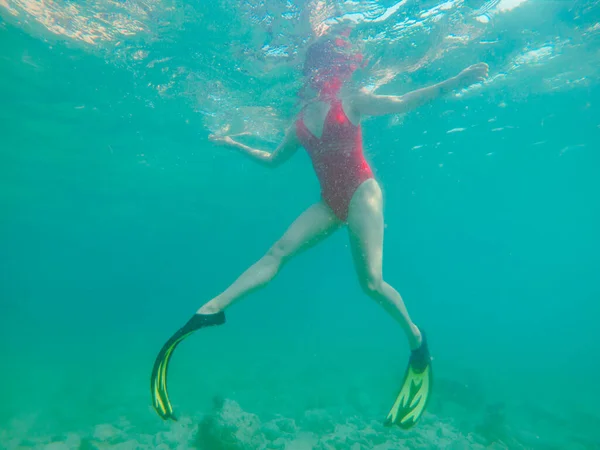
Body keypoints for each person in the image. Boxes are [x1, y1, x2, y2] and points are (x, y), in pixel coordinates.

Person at [150, 29, 489, 428]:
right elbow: (274, 160)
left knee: (372, 284)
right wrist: (234, 144)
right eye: (306, 76)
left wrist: (456, 81)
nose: (311, 81)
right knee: (278, 251)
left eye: (315, 73)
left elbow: (403, 101)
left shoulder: (352, 101)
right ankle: (213, 308)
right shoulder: (297, 125)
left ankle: (416, 341)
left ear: (328, 75)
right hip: (330, 202)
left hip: (363, 192)